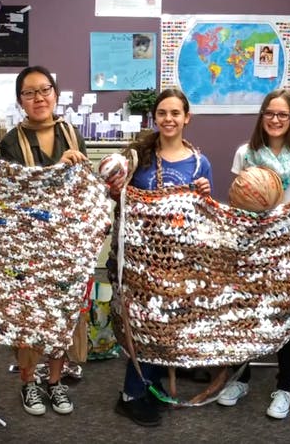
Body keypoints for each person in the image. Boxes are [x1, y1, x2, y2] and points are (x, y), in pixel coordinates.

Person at [104, 88, 213, 427]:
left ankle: (149, 385)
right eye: (162, 113)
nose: (168, 119)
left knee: (166, 325)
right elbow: (116, 194)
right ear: (155, 118)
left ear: (186, 117)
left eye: (175, 113)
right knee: (141, 325)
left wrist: (205, 195)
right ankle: (130, 394)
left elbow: (203, 214)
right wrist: (115, 186)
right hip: (141, 258)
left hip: (178, 259)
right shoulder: (138, 157)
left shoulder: (199, 162)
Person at [219, 88, 290, 419]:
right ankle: (241, 378)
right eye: (270, 113)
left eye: (283, 114)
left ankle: (284, 388)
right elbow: (240, 199)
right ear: (262, 116)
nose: (276, 120)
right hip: (251, 246)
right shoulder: (246, 153)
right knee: (244, 315)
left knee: (286, 318)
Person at [0, 66, 89, 417]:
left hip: (67, 243)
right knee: (29, 316)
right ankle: (29, 384)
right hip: (28, 246)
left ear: (55, 93)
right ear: (20, 99)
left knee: (62, 315)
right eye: (29, 92)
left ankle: (54, 382)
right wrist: (56, 171)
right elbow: (13, 194)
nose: (38, 98)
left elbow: (82, 187)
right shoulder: (11, 141)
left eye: (45, 90)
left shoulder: (71, 133)